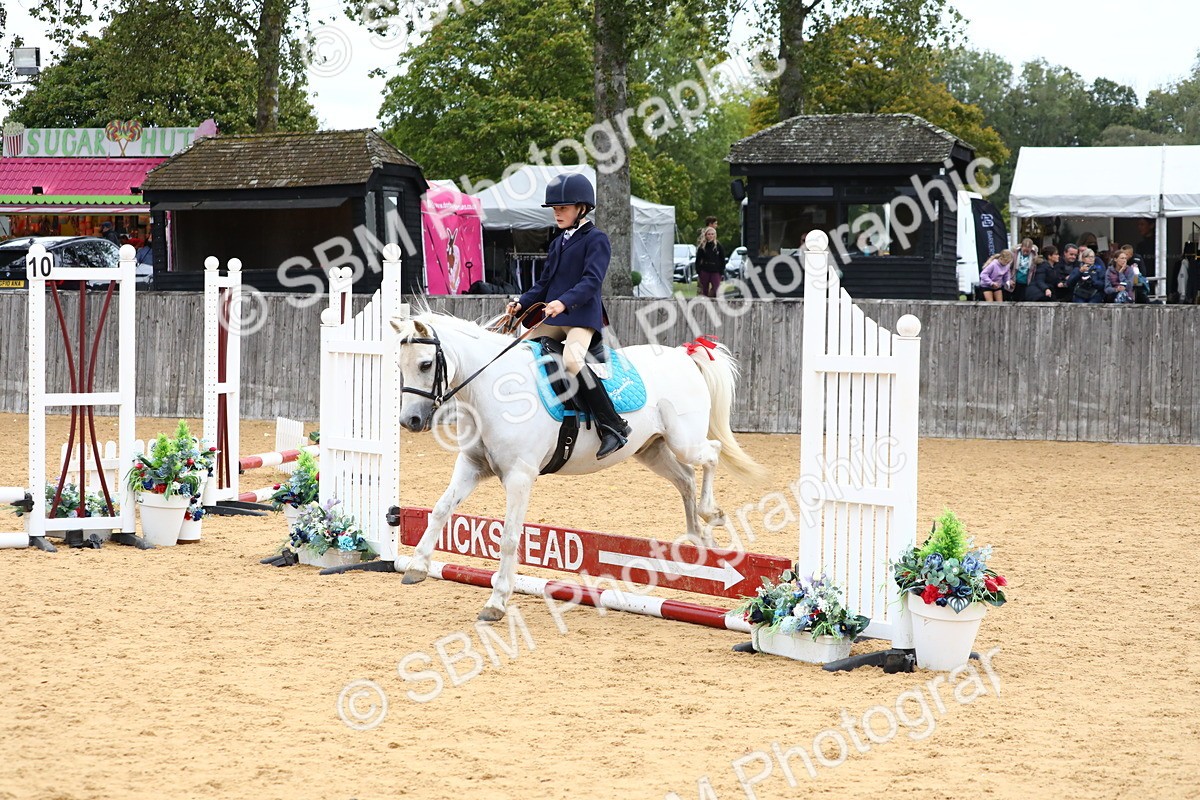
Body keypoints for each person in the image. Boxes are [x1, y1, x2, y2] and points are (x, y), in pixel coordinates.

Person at [506, 173, 631, 459]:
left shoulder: (597, 239)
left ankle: (613, 426)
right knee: (520, 350)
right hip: (553, 317)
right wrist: (520, 302)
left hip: (582, 317)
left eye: (563, 208)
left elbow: (591, 281)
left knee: (573, 361)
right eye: (554, 208)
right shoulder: (557, 242)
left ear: (582, 208)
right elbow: (544, 285)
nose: (557, 213)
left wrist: (563, 302)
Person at [694, 226, 725, 298]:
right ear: (706, 235)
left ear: (715, 235)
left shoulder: (718, 246)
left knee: (716, 289)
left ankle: (713, 301)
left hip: (716, 270)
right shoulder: (702, 246)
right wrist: (699, 271)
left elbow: (722, 258)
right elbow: (698, 259)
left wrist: (721, 270)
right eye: (709, 234)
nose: (711, 236)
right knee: (704, 289)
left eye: (712, 234)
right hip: (705, 269)